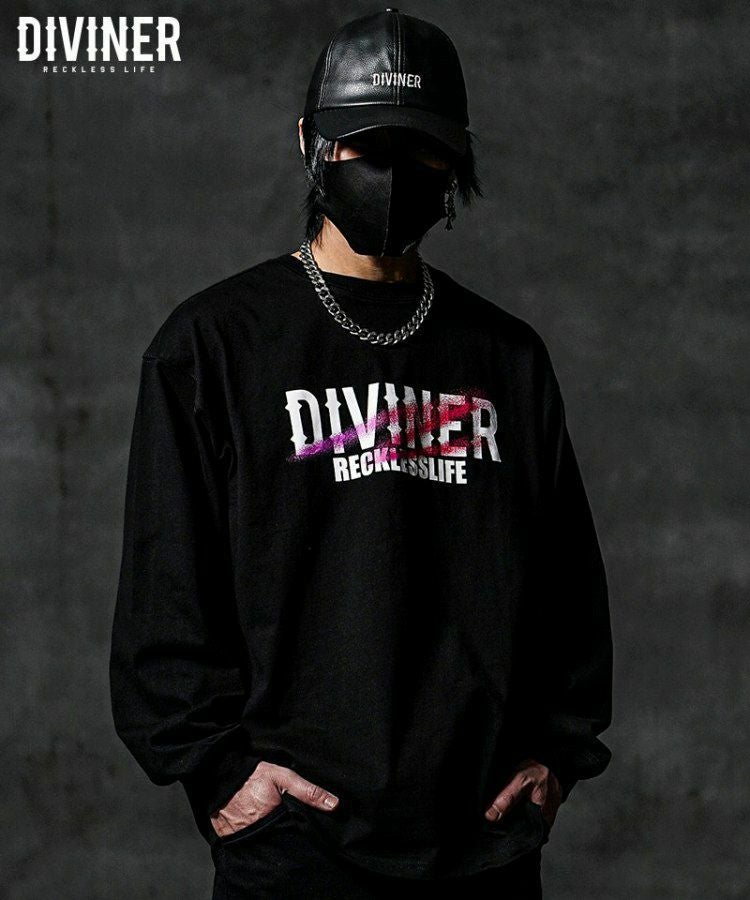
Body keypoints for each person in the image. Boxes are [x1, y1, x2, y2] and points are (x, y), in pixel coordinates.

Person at [109, 8, 613, 899]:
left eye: (420, 150)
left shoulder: (506, 357)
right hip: (295, 847)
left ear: (455, 161)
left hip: (483, 845)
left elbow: (566, 580)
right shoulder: (214, 345)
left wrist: (558, 753)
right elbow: (166, 587)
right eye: (364, 144)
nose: (391, 172)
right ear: (311, 142)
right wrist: (218, 774)